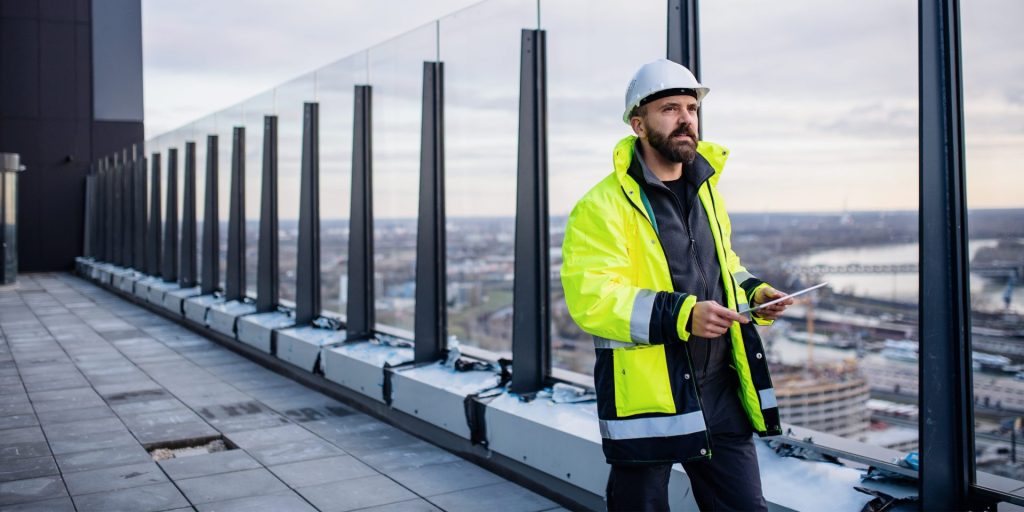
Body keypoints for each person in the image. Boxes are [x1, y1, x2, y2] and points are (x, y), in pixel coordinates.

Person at [560, 59, 794, 511]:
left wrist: (755, 294)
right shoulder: (601, 207)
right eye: (670, 108)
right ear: (638, 125)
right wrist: (684, 315)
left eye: (692, 107)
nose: (687, 118)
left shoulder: (707, 191)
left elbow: (724, 268)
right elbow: (593, 299)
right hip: (650, 393)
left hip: (720, 385)